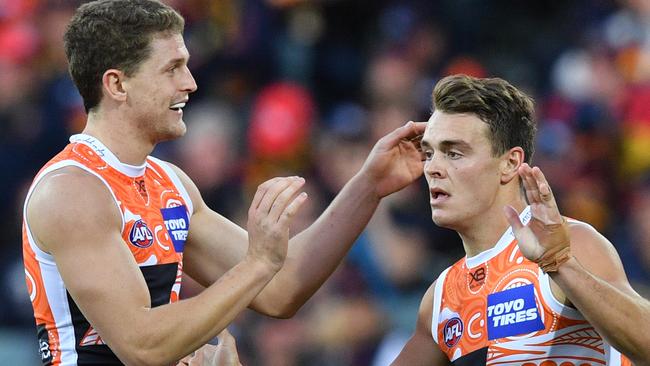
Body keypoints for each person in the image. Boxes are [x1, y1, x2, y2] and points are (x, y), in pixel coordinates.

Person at [22, 1, 426, 365]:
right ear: (117, 84)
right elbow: (142, 346)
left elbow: (280, 288)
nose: (190, 83)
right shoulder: (72, 191)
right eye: (172, 68)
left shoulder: (170, 182)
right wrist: (256, 264)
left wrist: (369, 184)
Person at [391, 74, 646, 365]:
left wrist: (560, 264)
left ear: (510, 163)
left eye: (454, 153)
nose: (433, 168)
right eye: (429, 153)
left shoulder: (570, 243)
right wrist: (369, 187)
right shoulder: (440, 299)